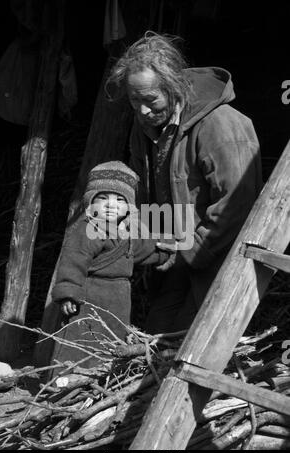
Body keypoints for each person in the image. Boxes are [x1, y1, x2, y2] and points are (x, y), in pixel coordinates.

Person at [107, 32, 263, 334]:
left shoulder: (220, 126)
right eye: (134, 100)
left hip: (218, 259)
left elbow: (237, 203)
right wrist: (148, 246)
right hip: (175, 260)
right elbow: (148, 192)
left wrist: (193, 249)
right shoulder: (145, 128)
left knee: (191, 345)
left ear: (174, 87)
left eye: (150, 99)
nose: (141, 110)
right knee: (156, 338)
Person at [51, 160, 175, 368]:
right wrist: (67, 292)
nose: (111, 205)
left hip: (118, 302)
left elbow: (144, 251)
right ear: (91, 203)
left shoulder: (127, 233)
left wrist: (166, 253)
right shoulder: (87, 229)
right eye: (103, 198)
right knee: (81, 339)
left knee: (111, 342)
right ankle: (64, 382)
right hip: (89, 297)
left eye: (119, 199)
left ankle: (99, 381)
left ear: (128, 206)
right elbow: (73, 259)